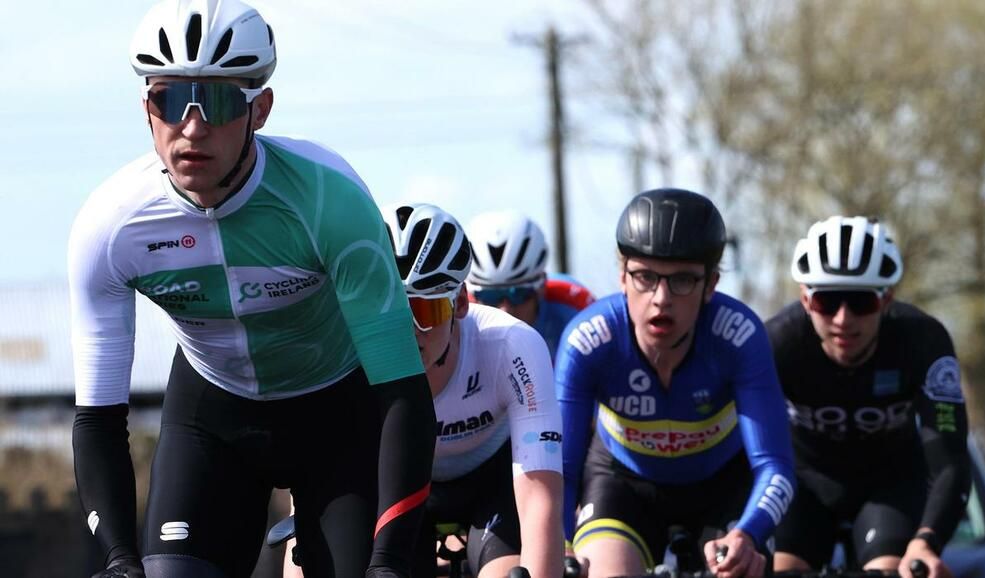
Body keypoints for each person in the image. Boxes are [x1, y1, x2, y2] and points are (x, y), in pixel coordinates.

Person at [69, 1, 435, 577]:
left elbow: (403, 395)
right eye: (169, 99)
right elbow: (97, 418)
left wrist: (388, 562)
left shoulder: (329, 201)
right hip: (212, 419)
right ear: (146, 109)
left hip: (338, 414)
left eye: (216, 100)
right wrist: (119, 558)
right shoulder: (111, 226)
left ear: (259, 108)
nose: (192, 127)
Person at [556, 189, 796, 578]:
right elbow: (560, 468)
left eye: (683, 280)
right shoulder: (589, 340)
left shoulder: (739, 336)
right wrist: (562, 543)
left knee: (742, 569)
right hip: (623, 483)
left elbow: (776, 467)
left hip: (722, 488)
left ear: (710, 285)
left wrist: (748, 536)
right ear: (622, 277)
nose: (661, 298)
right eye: (645, 277)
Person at [767, 216, 971, 578]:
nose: (844, 319)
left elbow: (951, 459)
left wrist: (927, 541)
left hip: (889, 485)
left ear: (886, 299)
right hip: (804, 484)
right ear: (805, 299)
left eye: (861, 302)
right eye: (827, 302)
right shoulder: (777, 344)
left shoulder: (924, 341)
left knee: (893, 570)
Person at [379, 203, 565, 578]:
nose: (409, 331)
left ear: (461, 302)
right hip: (400, 489)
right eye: (393, 313)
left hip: (491, 488)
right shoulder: (347, 352)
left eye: (426, 312)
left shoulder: (512, 345)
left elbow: (540, 503)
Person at [466, 211, 594, 358]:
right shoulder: (458, 315)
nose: (505, 310)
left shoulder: (575, 306)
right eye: (490, 297)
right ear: (471, 295)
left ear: (541, 287)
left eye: (518, 294)